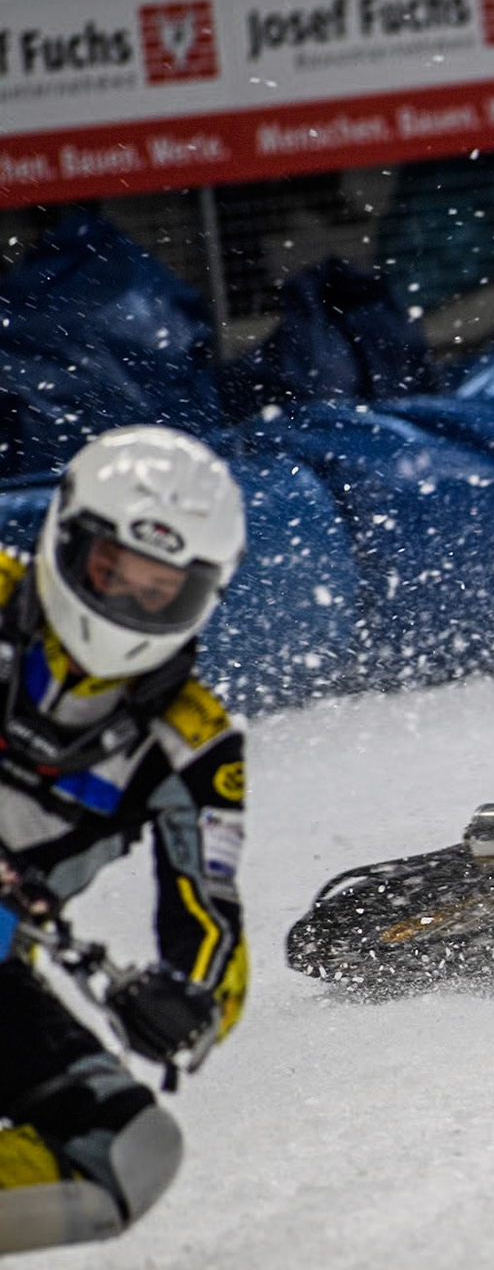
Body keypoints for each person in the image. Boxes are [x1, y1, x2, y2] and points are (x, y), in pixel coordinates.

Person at [0, 427, 248, 1255]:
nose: (127, 602)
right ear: (67, 539)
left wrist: (192, 1006)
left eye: (158, 591)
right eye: (113, 571)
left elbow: (209, 915)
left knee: (133, 1154)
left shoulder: (195, 741)